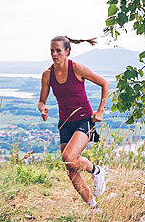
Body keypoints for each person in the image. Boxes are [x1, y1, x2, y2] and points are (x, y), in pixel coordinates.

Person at [38, 35, 109, 210]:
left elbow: (104, 84)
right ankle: (94, 207)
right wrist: (42, 109)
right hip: (64, 123)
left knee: (68, 158)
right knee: (70, 168)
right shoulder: (47, 75)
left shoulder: (77, 69)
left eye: (58, 51)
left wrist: (100, 110)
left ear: (67, 51)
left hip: (84, 120)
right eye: (52, 51)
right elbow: (42, 101)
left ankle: (96, 171)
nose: (54, 54)